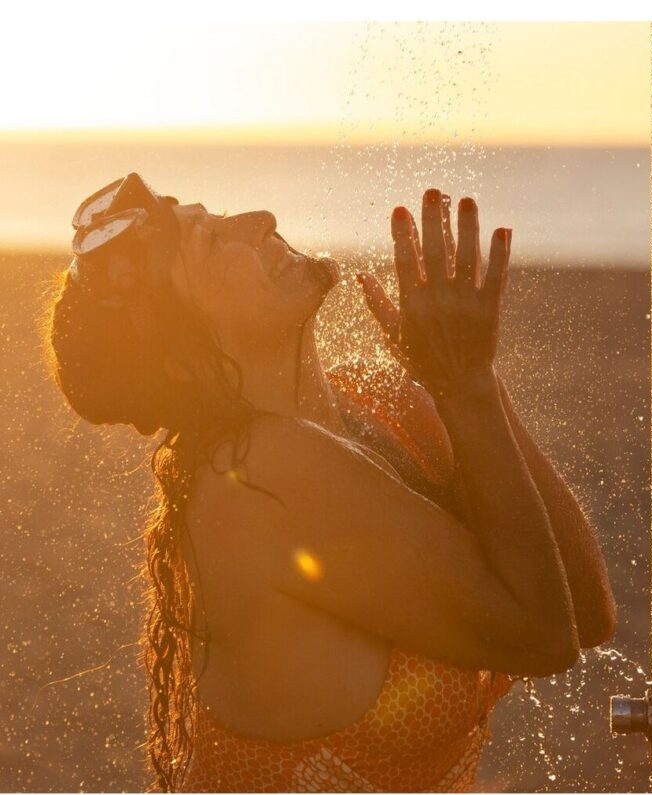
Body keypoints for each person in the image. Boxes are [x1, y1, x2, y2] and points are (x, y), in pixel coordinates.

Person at [46, 174, 616, 793]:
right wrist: (467, 386)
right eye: (212, 243)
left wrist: (466, 377)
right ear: (183, 354)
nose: (260, 216)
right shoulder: (255, 476)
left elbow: (586, 614)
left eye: (222, 213)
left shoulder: (378, 402)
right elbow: (542, 636)